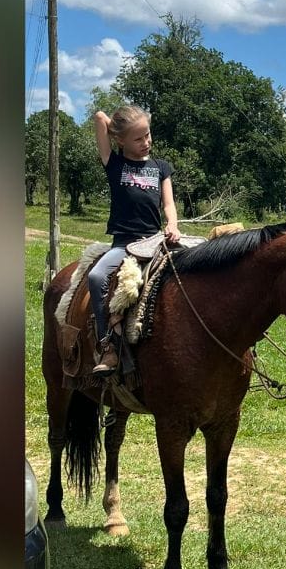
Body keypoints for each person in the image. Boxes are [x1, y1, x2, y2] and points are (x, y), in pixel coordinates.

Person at [88, 106, 181, 377]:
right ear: (120, 141)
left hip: (155, 241)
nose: (146, 142)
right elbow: (99, 117)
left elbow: (169, 204)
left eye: (148, 135)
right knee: (96, 277)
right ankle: (108, 344)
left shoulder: (160, 168)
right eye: (138, 138)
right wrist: (116, 125)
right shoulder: (114, 164)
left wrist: (172, 224)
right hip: (124, 244)